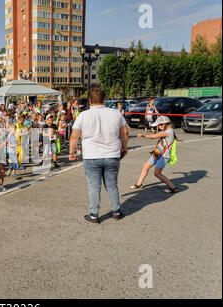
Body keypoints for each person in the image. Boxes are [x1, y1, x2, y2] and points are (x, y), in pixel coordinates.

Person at [69, 87, 129, 224]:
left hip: (91, 155)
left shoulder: (83, 115)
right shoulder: (116, 114)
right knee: (112, 184)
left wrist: (72, 152)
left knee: (94, 186)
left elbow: (74, 136)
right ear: (105, 100)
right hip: (112, 154)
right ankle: (116, 211)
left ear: (90, 100)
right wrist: (124, 147)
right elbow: (124, 133)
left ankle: (94, 214)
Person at [131, 116, 178, 193]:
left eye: (159, 125)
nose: (158, 127)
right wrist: (155, 150)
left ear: (164, 124)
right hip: (157, 152)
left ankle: (173, 188)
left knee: (157, 173)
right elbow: (162, 143)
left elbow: (153, 136)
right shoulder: (167, 130)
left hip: (164, 155)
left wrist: (143, 135)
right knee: (146, 166)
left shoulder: (168, 132)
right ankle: (139, 185)